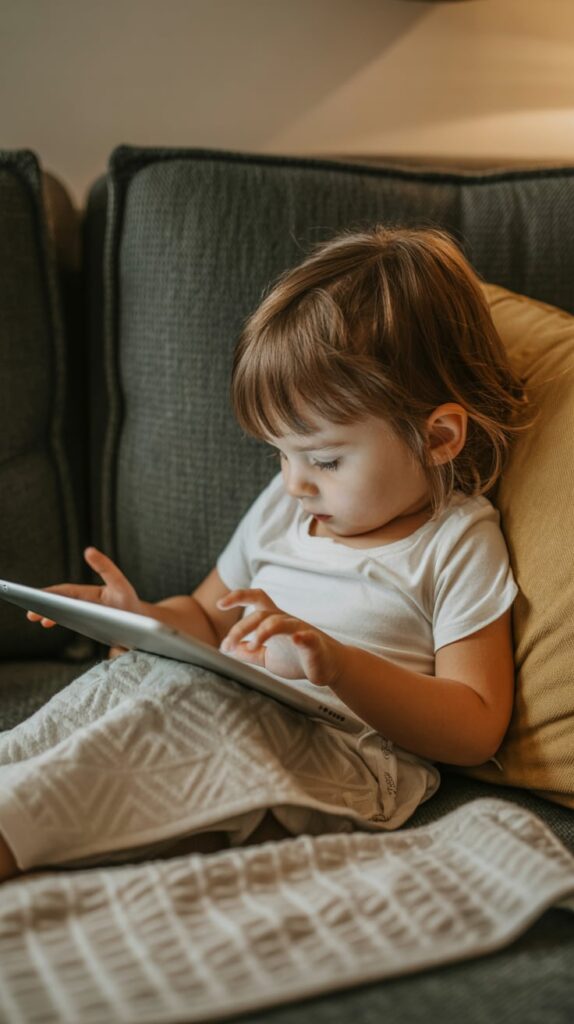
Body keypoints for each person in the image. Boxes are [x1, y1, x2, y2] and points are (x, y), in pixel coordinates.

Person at [0, 226, 529, 883]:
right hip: (215, 707)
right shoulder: (286, 505)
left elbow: (475, 727)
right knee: (113, 697)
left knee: (156, 738)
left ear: (439, 437)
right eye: (280, 453)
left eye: (325, 459)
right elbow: (205, 616)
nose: (295, 482)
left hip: (341, 754)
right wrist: (137, 619)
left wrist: (338, 665)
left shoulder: (457, 543)